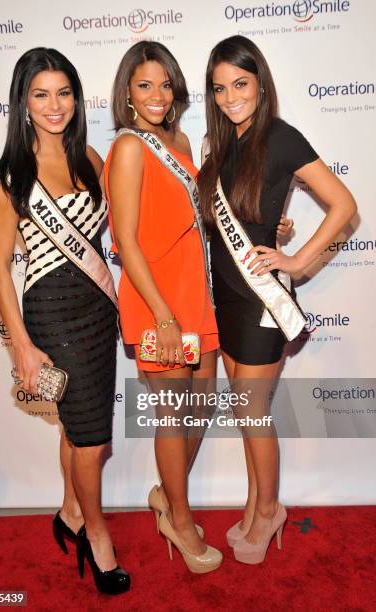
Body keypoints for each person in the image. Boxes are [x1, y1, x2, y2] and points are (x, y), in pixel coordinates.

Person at [198, 35, 357, 564]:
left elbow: (343, 204)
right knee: (248, 416)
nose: (229, 97)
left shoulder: (282, 137)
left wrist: (296, 259)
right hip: (226, 296)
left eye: (239, 84)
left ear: (260, 83)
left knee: (251, 411)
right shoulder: (220, 144)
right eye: (219, 88)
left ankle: (269, 512)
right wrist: (276, 224)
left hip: (263, 299)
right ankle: (254, 504)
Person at [0, 47, 130, 595]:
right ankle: (97, 536)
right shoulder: (11, 175)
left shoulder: (89, 157)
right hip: (51, 315)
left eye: (64, 93)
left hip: (96, 311)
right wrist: (20, 345)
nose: (55, 105)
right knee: (93, 439)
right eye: (41, 94)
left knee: (78, 428)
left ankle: (70, 510)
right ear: (23, 101)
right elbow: (0, 270)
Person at [104, 41, 223, 574]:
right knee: (173, 417)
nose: (156, 94)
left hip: (197, 295)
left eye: (164, 83)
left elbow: (191, 222)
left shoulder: (177, 140)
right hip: (158, 303)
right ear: (127, 94)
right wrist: (164, 317)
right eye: (144, 85)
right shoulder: (130, 147)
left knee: (200, 409)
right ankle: (178, 515)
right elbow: (126, 242)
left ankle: (165, 496)